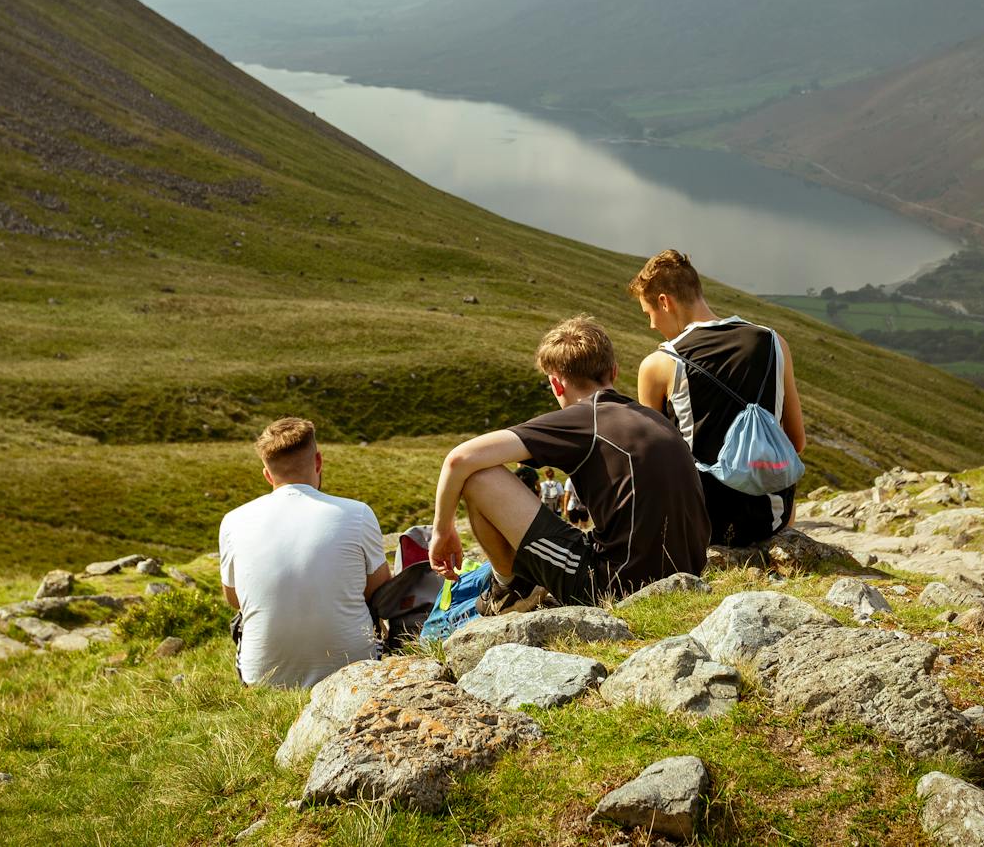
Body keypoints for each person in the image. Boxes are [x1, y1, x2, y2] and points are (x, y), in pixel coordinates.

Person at [428, 315, 710, 612]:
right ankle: (517, 582)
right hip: (686, 573)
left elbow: (459, 459)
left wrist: (442, 531)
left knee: (478, 477)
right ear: (613, 370)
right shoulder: (652, 417)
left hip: (615, 587)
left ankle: (510, 588)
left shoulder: (585, 418)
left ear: (556, 384)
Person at [632, 249, 807, 548]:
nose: (651, 325)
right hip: (772, 518)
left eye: (649, 314)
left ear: (665, 302)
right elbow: (797, 442)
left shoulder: (660, 364)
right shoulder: (773, 341)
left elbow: (654, 464)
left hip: (702, 524)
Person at [218, 416, 392, 688]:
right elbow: (378, 591)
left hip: (262, 679)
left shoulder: (233, 521)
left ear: (267, 475)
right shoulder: (358, 513)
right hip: (354, 669)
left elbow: (235, 599)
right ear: (318, 462)